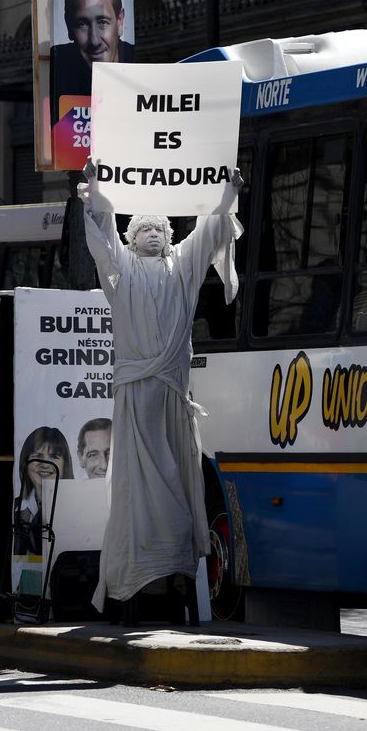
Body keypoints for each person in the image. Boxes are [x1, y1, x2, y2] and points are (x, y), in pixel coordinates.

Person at [80, 158, 244, 625]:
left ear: (169, 238)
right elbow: (102, 241)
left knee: (176, 482)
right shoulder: (123, 274)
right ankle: (139, 577)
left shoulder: (182, 270)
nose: (153, 235)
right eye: (144, 230)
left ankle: (172, 569)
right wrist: (94, 191)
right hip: (136, 399)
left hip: (172, 394)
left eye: (159, 230)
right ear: (133, 239)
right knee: (137, 489)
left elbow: (210, 231)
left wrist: (228, 193)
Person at [50, 0, 135, 100]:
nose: (94, 41)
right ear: (68, 25)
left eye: (102, 22)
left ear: (120, 21)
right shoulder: (57, 67)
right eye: (82, 24)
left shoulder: (142, 65)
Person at [13, 426, 74, 556]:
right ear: (25, 462)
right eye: (37, 456)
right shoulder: (15, 506)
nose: (45, 463)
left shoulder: (77, 507)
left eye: (54, 456)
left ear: (65, 465)